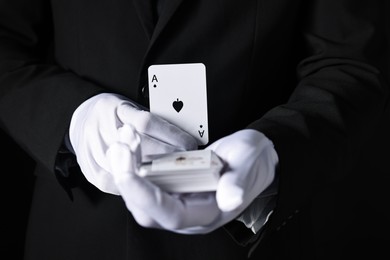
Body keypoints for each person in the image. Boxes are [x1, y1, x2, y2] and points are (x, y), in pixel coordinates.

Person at [0, 0, 389, 259]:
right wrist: (75, 118)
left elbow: (349, 62)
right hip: (76, 236)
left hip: (252, 242)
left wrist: (274, 149)